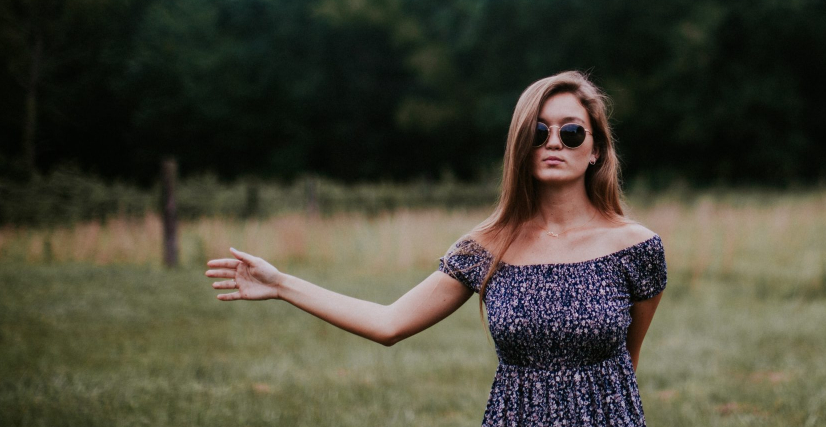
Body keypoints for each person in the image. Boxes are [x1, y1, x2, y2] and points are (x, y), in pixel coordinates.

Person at [205, 70, 667, 426]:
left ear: (596, 151)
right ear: (520, 147)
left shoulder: (636, 249)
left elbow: (627, 364)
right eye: (537, 132)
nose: (552, 143)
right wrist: (281, 283)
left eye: (571, 133)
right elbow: (388, 323)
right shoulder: (487, 247)